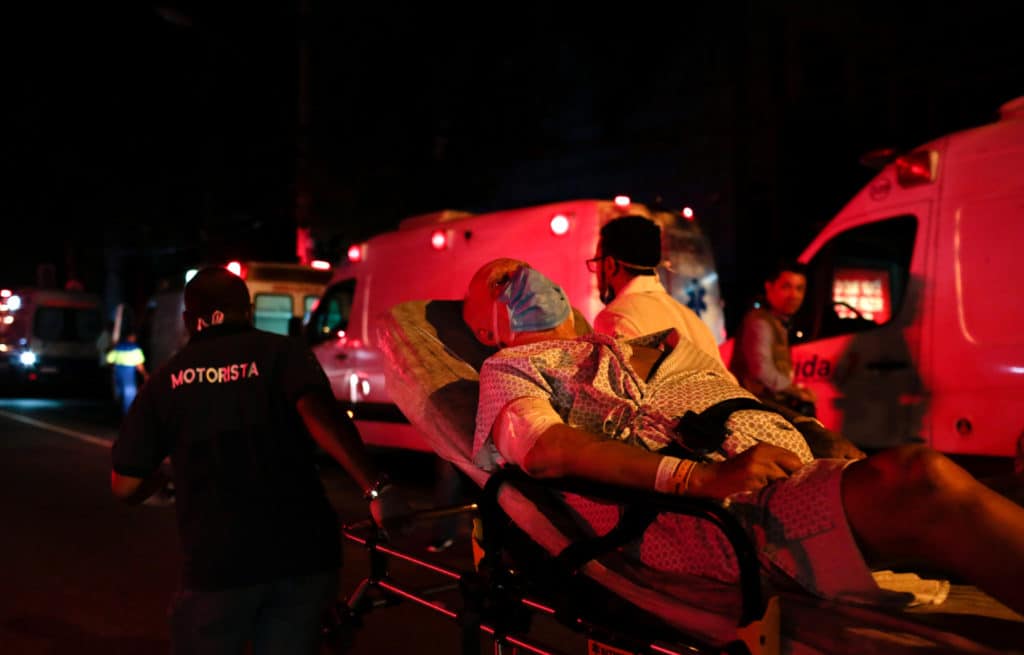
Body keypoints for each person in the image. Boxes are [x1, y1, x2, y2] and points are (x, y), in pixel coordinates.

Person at [462, 258, 1024, 616]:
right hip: (727, 514)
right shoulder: (511, 367)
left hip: (786, 474)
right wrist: (697, 477)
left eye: (526, 268)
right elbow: (546, 449)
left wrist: (818, 439)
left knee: (984, 493)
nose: (525, 276)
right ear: (487, 329)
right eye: (502, 278)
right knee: (918, 480)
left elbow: (738, 397)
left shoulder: (633, 342)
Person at [110, 267, 408, 655]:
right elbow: (320, 416)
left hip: (218, 566)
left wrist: (164, 481)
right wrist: (376, 487)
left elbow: (125, 484)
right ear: (246, 310)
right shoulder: (283, 353)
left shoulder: (166, 381)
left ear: (188, 319)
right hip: (303, 557)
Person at [589, 214, 725, 367]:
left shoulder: (616, 318)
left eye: (597, 262)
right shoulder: (692, 321)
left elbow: (624, 387)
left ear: (609, 265)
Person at [729, 258, 817, 416]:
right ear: (769, 287)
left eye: (799, 288)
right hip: (754, 409)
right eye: (786, 287)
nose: (794, 295)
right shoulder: (759, 322)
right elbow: (761, 370)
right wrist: (794, 390)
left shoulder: (778, 321)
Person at [106, 331, 149, 416]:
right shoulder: (135, 349)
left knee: (119, 394)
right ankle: (127, 415)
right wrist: (145, 374)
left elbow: (109, 360)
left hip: (118, 372)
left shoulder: (118, 347)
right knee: (129, 395)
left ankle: (118, 413)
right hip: (128, 374)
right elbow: (139, 365)